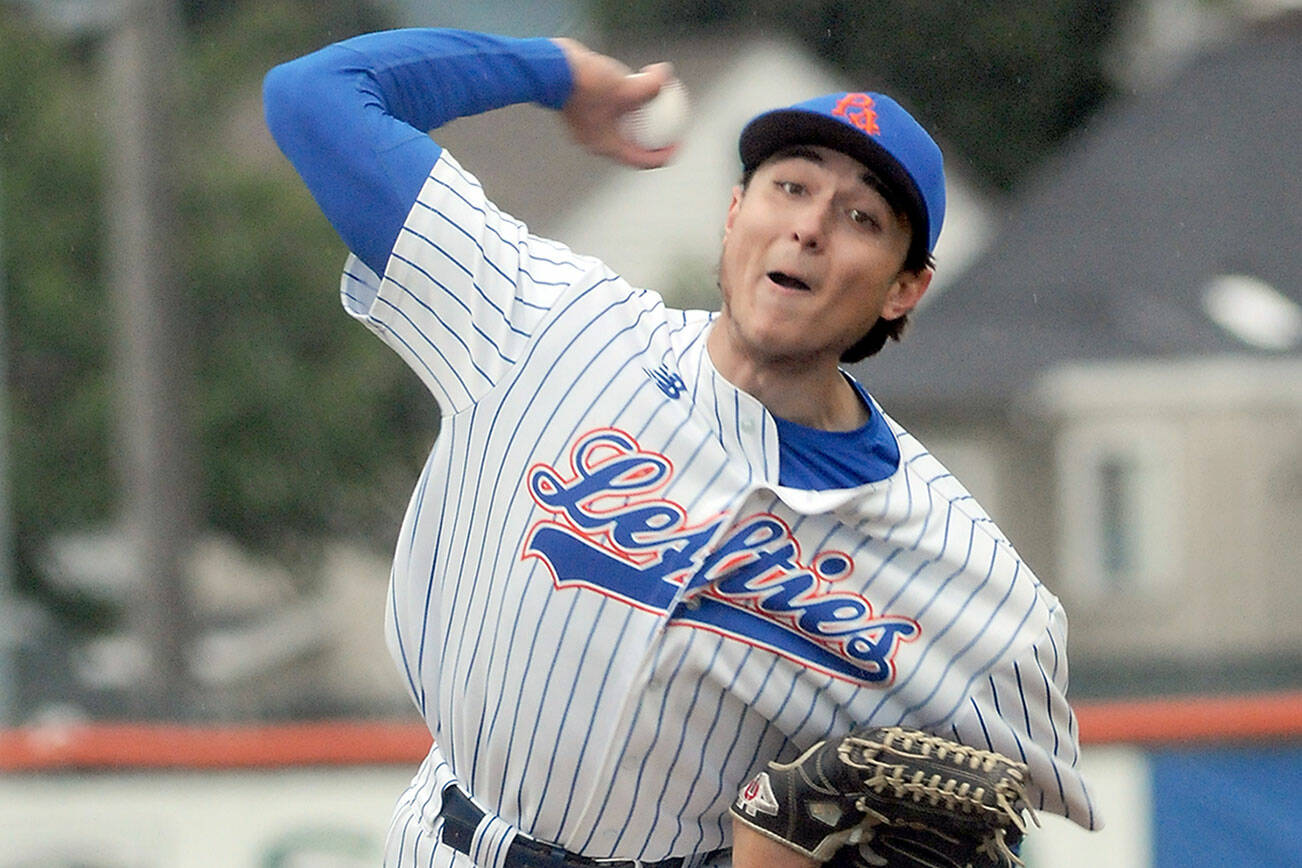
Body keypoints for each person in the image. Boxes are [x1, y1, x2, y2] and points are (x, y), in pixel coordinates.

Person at [263, 27, 1099, 868]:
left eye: (861, 217)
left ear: (904, 287)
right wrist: (550, 72)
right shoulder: (547, 324)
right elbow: (315, 98)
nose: (809, 227)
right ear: (736, 211)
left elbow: (1002, 826)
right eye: (790, 186)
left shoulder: (976, 590)